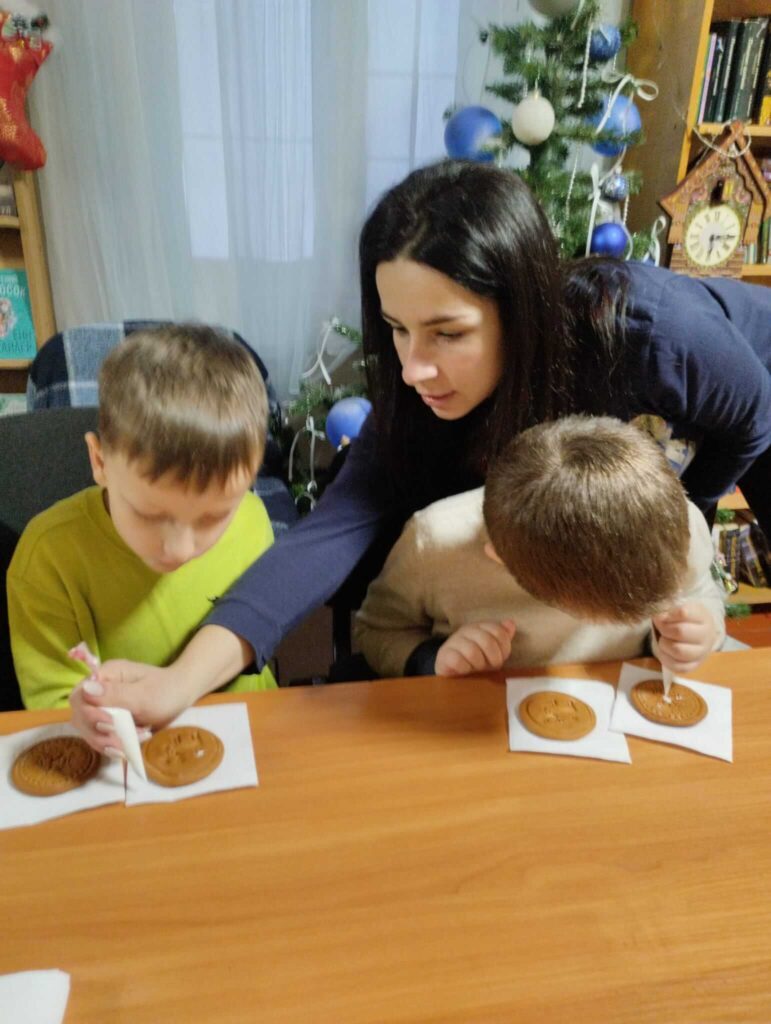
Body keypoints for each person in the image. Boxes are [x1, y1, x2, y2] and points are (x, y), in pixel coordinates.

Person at [74, 160, 770, 748]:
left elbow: (750, 421)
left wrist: (675, 518)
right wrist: (182, 679)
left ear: (519, 310)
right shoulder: (419, 399)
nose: (413, 369)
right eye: (396, 329)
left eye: (447, 333)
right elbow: (327, 535)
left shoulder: (650, 333)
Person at [7, 325, 277, 748]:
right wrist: (86, 715)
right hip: (127, 758)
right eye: (151, 515)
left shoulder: (253, 520)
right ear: (99, 461)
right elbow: (57, 709)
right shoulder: (48, 558)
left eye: (213, 517)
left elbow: (258, 638)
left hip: (253, 737)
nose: (181, 550)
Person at [353, 416, 725, 678]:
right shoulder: (434, 541)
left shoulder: (675, 521)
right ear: (499, 558)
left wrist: (703, 629)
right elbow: (374, 631)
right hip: (482, 721)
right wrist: (431, 659)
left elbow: (701, 592)